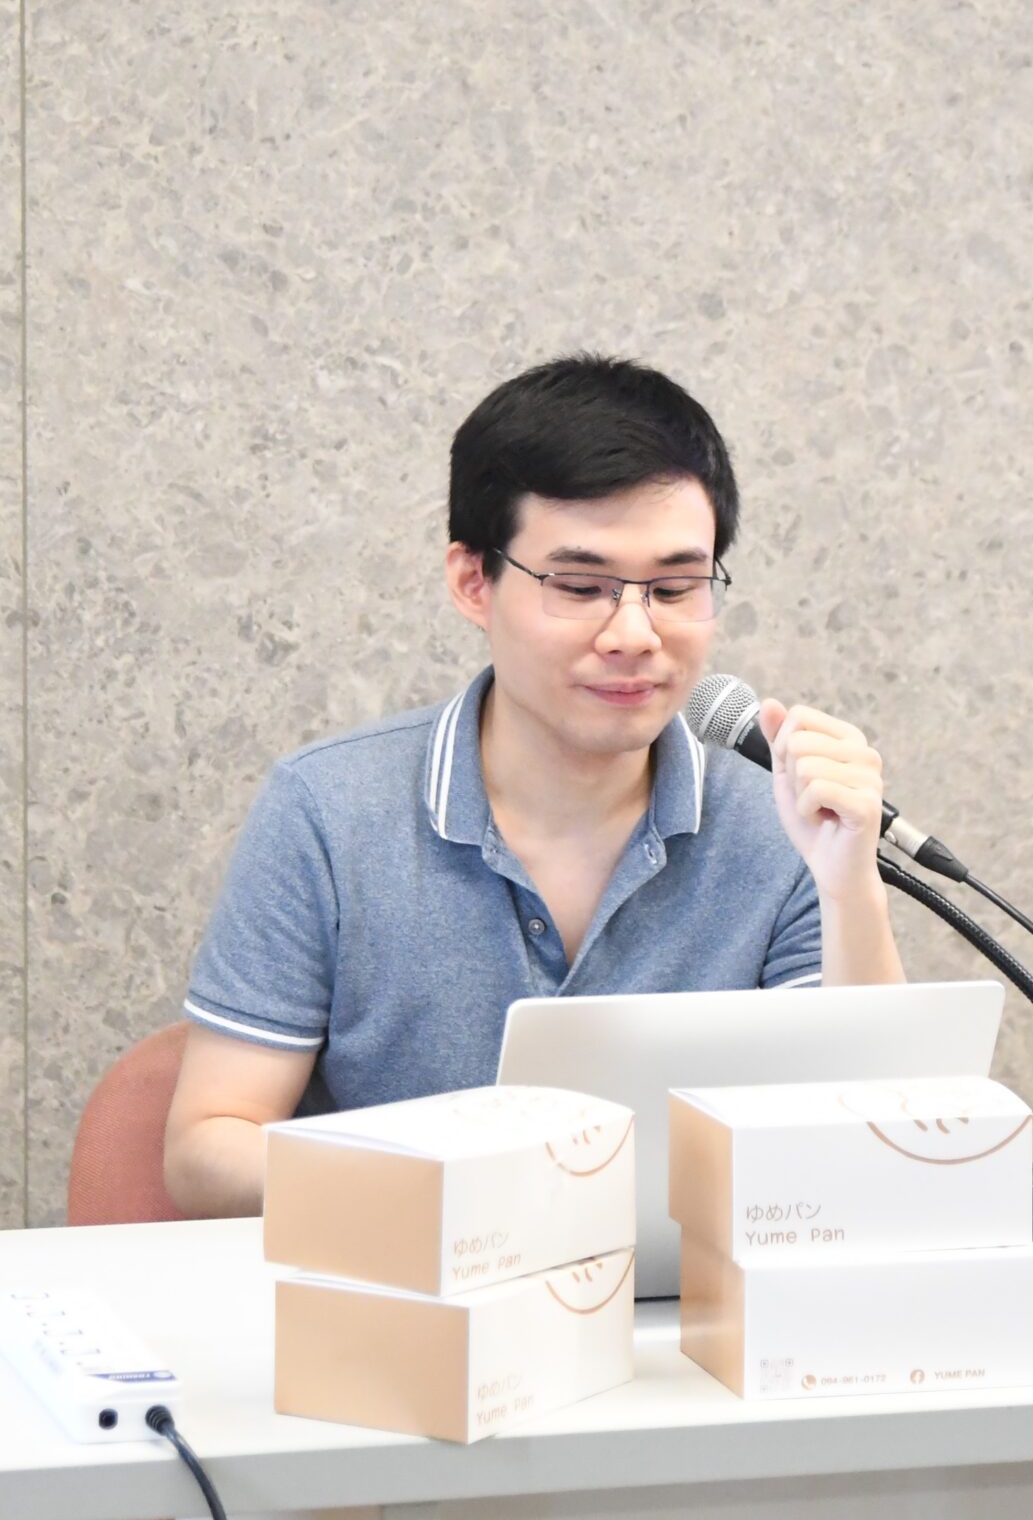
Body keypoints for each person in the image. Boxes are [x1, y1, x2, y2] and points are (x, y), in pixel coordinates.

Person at [162, 354, 904, 1217]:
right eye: (582, 587)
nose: (634, 634)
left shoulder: (780, 817)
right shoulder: (328, 810)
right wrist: (458, 1190)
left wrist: (849, 884)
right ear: (473, 582)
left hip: (690, 1296)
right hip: (418, 1282)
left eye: (675, 588)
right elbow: (208, 1150)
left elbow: (869, 1149)